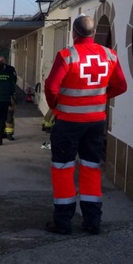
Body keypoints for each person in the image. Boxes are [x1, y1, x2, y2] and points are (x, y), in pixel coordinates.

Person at [43, 15, 127, 235]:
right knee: (91, 168)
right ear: (94, 33)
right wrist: (100, 97)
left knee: (63, 169)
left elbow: (51, 88)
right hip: (96, 123)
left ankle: (63, 222)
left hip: (68, 123)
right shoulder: (110, 55)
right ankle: (93, 221)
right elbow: (121, 85)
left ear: (74, 33)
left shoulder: (67, 56)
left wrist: (56, 106)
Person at [0, 56, 18, 141]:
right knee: (1, 116)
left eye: (2, 61)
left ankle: (9, 133)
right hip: (0, 96)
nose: (1, 63)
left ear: (5, 61)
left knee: (9, 115)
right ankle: (2, 132)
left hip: (9, 95)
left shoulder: (11, 69)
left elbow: (14, 80)